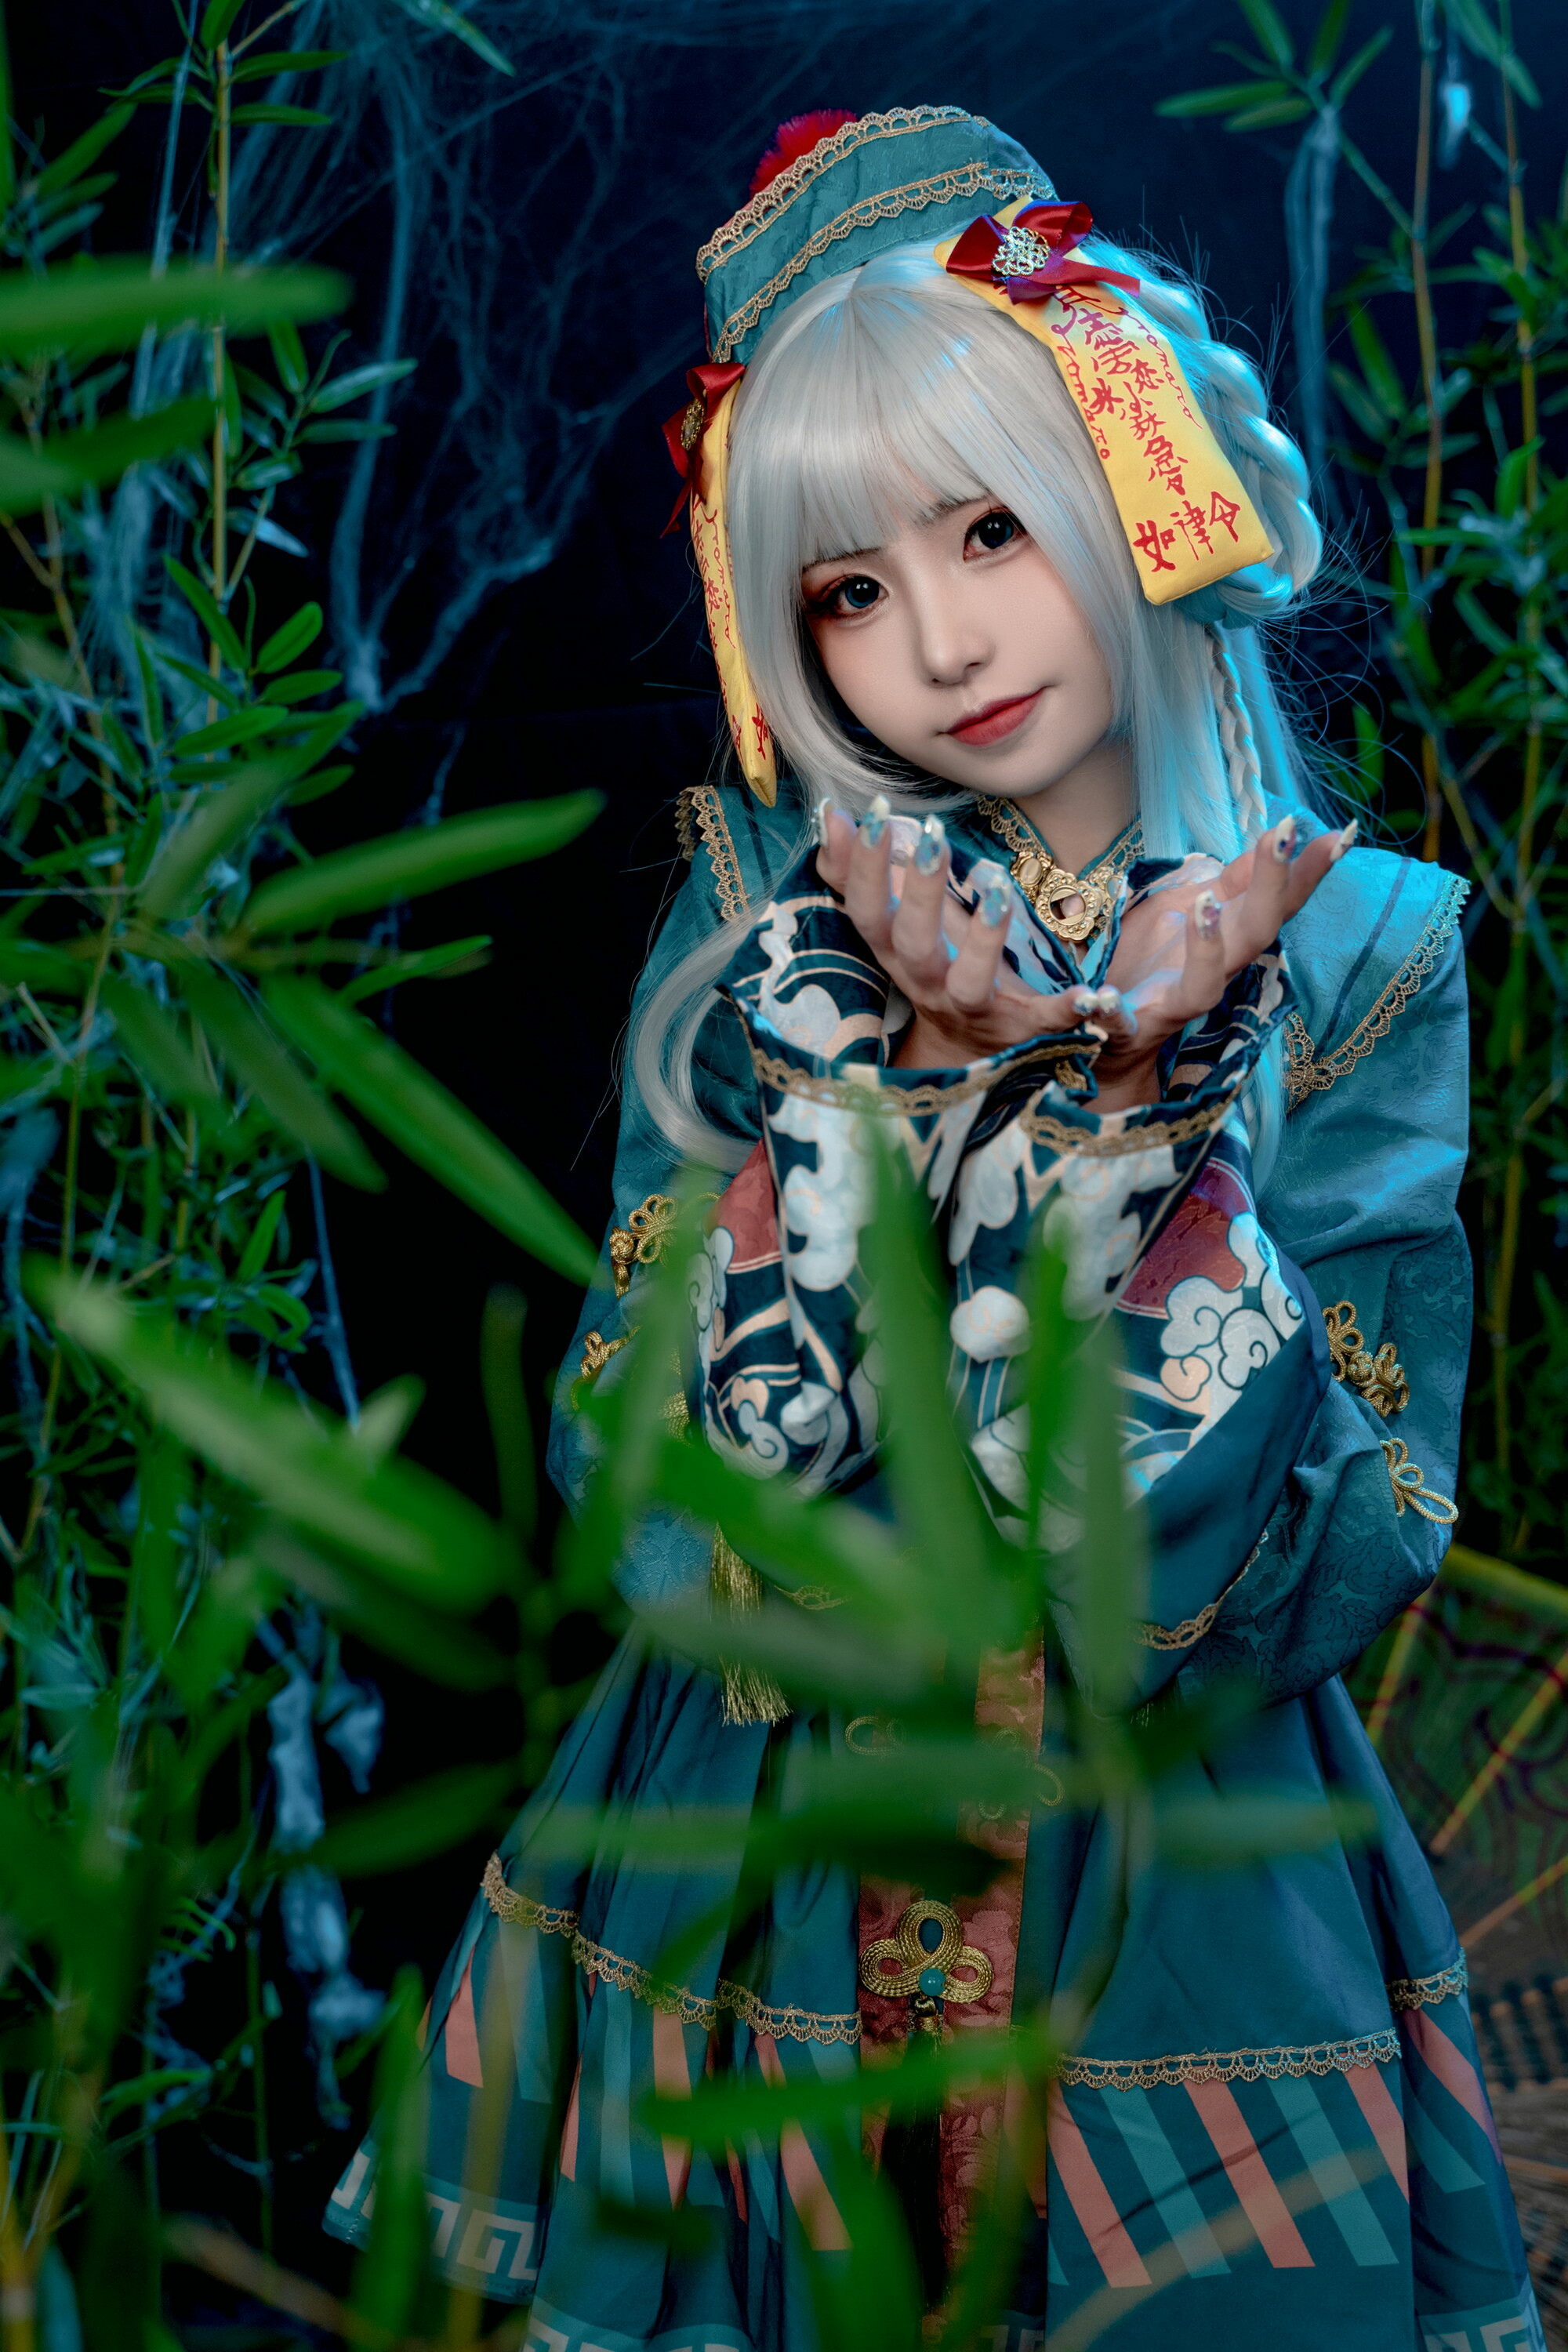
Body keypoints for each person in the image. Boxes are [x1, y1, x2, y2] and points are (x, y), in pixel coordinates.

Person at [325, 106, 1541, 2352]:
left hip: (1171, 1884)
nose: (943, 639)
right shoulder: (759, 935)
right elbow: (651, 1478)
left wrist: (1135, 1127)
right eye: (848, 592)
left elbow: (1343, 1539)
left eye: (990, 526)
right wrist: (869, 1111)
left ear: (1138, 488)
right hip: (767, 1839)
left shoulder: (1359, 948)